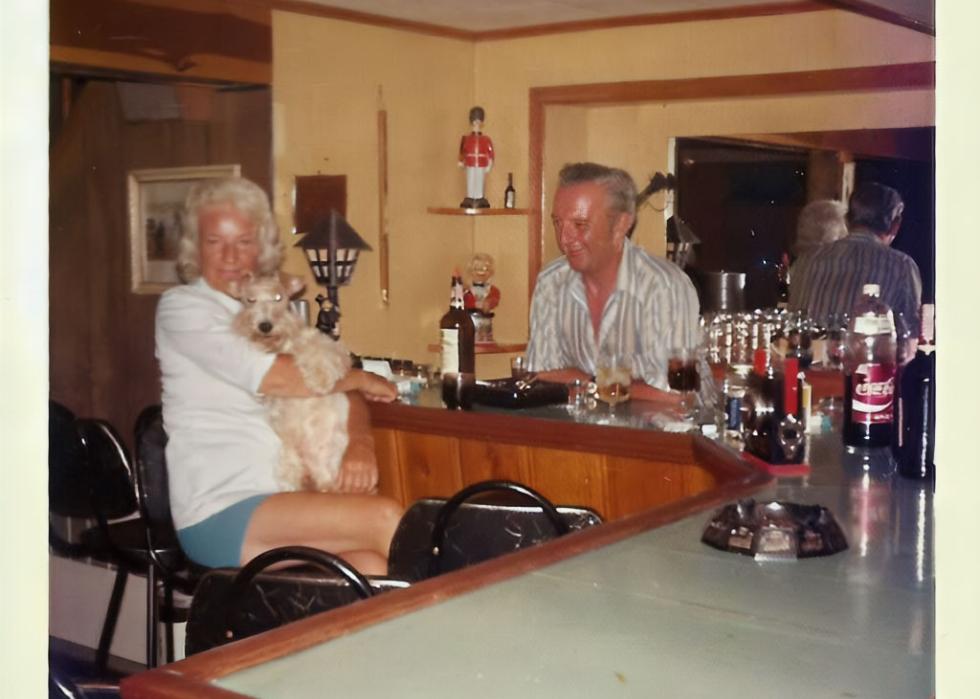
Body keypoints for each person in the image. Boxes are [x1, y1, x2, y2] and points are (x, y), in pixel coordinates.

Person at [156, 177, 402, 574]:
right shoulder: (184, 308)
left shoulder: (272, 312)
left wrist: (360, 443)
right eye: (215, 242)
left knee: (370, 566)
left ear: (262, 248)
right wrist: (359, 377)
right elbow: (283, 378)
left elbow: (336, 384)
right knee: (385, 519)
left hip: (288, 494)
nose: (231, 257)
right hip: (222, 507)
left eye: (244, 241)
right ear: (195, 248)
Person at [526, 162, 700, 403]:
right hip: (574, 426)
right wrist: (615, 386)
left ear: (620, 225)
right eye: (558, 223)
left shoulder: (664, 287)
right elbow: (541, 379)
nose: (564, 239)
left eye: (579, 225)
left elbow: (677, 399)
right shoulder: (551, 282)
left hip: (656, 428)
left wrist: (587, 382)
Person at [789, 181, 922, 342]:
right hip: (863, 357)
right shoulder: (902, 266)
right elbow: (909, 337)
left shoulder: (806, 260)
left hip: (803, 356)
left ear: (847, 220)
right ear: (896, 225)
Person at [458, 106, 494, 209]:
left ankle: (479, 197)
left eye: (478, 122)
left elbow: (490, 153)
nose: (476, 125)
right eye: (475, 122)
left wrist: (489, 163)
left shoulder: (486, 139)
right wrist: (461, 161)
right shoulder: (466, 139)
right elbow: (462, 152)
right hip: (470, 162)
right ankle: (470, 197)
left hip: (481, 163)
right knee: (470, 179)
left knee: (479, 180)